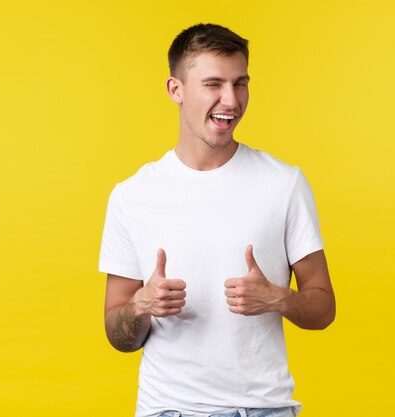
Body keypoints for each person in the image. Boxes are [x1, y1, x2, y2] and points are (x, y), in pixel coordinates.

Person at [100, 23, 335, 417]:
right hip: (166, 410)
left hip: (262, 409)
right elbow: (117, 333)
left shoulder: (284, 183)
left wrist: (279, 298)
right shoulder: (132, 196)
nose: (231, 100)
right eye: (213, 84)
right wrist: (141, 306)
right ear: (176, 89)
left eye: (240, 84)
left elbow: (324, 309)